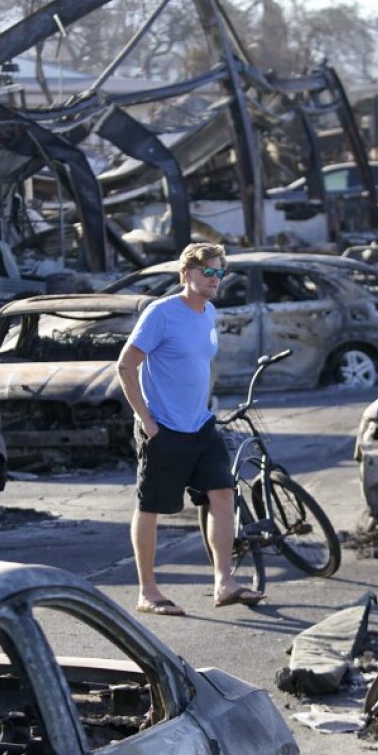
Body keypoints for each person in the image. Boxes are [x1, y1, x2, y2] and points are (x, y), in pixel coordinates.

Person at [117, 242, 264, 616]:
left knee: (223, 494)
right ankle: (147, 592)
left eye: (219, 273)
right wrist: (147, 421)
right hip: (163, 428)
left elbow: (200, 364)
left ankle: (224, 582)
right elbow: (125, 367)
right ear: (186, 274)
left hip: (200, 424)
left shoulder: (209, 312)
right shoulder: (161, 314)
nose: (214, 279)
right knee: (150, 507)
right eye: (207, 272)